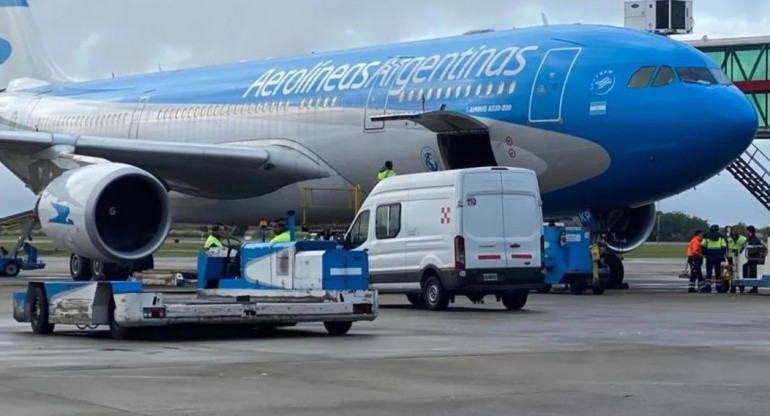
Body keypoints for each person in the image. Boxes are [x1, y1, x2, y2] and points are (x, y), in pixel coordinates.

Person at [701, 224, 727, 293]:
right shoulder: (721, 237)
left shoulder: (706, 237)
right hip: (718, 257)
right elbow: (724, 247)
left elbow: (703, 246)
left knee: (708, 272)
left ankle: (707, 287)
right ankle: (718, 287)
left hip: (709, 256)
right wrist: (721, 254)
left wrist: (705, 254)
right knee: (717, 272)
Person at [743, 225, 765, 293]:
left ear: (750, 231)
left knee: (751, 271)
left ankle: (751, 286)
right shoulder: (752, 238)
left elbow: (754, 248)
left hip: (753, 258)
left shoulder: (753, 239)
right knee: (748, 269)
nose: (746, 232)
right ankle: (752, 286)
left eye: (747, 231)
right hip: (753, 258)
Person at [726, 225, 748, 293]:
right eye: (734, 229)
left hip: (739, 257)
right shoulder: (728, 238)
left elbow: (745, 246)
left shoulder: (743, 238)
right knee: (729, 273)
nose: (735, 231)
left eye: (736, 229)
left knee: (740, 272)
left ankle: (741, 287)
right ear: (732, 231)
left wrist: (740, 251)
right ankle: (732, 287)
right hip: (729, 256)